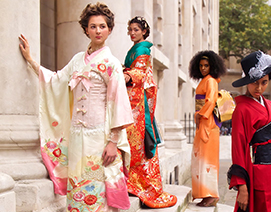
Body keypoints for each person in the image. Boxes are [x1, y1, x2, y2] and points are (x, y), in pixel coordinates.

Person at [19, 2, 134, 211]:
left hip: (99, 138)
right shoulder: (76, 61)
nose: (97, 31)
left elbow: (119, 103)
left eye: (102, 26)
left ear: (109, 29)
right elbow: (55, 81)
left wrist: (113, 142)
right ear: (85, 29)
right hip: (77, 136)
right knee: (77, 191)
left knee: (97, 191)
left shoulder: (111, 63)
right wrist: (30, 60)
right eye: (93, 26)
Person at [122, 16, 177, 208]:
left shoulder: (143, 48)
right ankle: (134, 182)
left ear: (144, 31)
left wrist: (126, 74)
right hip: (133, 98)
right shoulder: (136, 48)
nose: (132, 33)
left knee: (137, 142)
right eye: (130, 30)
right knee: (132, 142)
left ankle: (141, 184)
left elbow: (138, 73)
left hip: (137, 101)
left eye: (136, 29)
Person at [228, 51, 271, 212]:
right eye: (254, 83)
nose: (259, 88)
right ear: (247, 81)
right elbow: (239, 148)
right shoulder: (241, 109)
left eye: (264, 82)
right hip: (262, 172)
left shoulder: (269, 104)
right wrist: (242, 187)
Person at [189, 50, 227, 207]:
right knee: (200, 158)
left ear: (212, 66)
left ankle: (210, 195)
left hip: (208, 123)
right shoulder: (205, 80)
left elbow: (210, 101)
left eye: (206, 65)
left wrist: (200, 114)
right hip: (203, 121)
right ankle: (204, 193)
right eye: (201, 66)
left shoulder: (211, 81)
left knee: (208, 159)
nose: (203, 68)